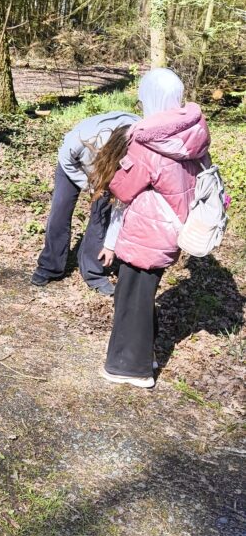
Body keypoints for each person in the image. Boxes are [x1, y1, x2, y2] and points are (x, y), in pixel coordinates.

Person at [89, 68, 210, 388]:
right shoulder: (189, 135)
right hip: (170, 227)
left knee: (131, 299)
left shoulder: (149, 141)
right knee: (141, 296)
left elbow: (123, 188)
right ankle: (146, 355)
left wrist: (115, 166)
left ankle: (131, 369)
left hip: (147, 231)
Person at [30, 109, 140, 295]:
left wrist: (110, 244)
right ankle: (49, 265)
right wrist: (88, 186)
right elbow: (66, 159)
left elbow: (120, 205)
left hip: (106, 173)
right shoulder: (81, 139)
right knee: (60, 210)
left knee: (101, 216)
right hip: (73, 166)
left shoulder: (140, 145)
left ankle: (93, 272)